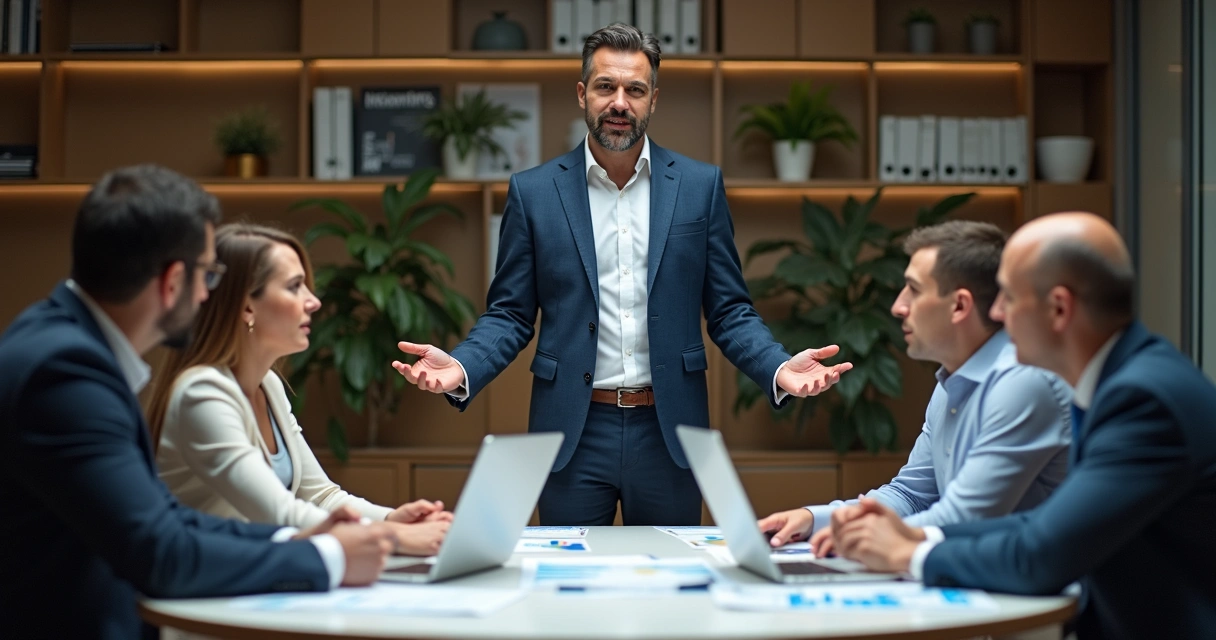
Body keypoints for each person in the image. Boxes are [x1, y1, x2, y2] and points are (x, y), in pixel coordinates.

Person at [391, 23, 851, 526]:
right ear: (583, 93)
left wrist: (778, 368)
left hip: (669, 432)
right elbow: (510, 314)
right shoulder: (534, 192)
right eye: (606, 87)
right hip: (572, 430)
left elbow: (728, 310)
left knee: (671, 590)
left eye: (635, 90)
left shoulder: (699, 187)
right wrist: (462, 367)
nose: (620, 102)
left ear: (653, 99)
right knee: (568, 586)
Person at [0, 165, 396, 639]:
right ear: (172, 283)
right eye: (209, 275)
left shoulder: (62, 347)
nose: (211, 294)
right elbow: (159, 553)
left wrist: (303, 539)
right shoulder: (65, 374)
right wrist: (328, 555)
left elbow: (168, 520)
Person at [831, 212, 1216, 639]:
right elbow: (1043, 523)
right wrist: (916, 540)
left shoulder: (1143, 401)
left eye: (1009, 298)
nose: (995, 311)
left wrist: (910, 554)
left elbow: (1043, 555)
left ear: (1059, 308)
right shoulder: (1123, 380)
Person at [757, 221, 1072, 554]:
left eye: (914, 290)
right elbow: (911, 494)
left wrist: (857, 533)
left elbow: (966, 519)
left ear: (960, 306)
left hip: (1027, 593)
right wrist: (817, 519)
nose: (897, 306)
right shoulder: (951, 381)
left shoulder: (1022, 381)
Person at [147, 223, 451, 557]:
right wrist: (393, 537)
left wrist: (393, 519)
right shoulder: (202, 394)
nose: (314, 302)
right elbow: (280, 515)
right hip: (207, 588)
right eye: (294, 287)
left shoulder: (269, 384)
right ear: (247, 307)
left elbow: (321, 497)